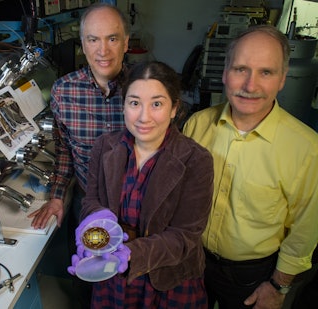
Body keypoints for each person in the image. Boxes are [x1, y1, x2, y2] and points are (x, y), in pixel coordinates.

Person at [182, 24, 318, 309]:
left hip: (253, 277)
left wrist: (278, 286)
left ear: (282, 79)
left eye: (266, 72)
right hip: (192, 261)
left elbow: (305, 230)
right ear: (224, 73)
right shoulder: (197, 124)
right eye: (241, 69)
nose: (250, 85)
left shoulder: (307, 148)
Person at [69, 61, 214, 308]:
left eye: (156, 104)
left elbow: (185, 236)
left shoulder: (195, 159)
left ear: (174, 108)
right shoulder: (105, 147)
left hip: (166, 281)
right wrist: (96, 219)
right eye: (135, 103)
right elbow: (91, 200)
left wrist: (133, 254)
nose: (144, 117)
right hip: (111, 273)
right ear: (124, 106)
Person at [28, 2, 129, 230]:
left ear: (126, 43)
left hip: (135, 204)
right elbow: (65, 148)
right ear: (83, 45)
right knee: (88, 263)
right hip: (86, 202)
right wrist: (56, 196)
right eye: (93, 40)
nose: (103, 51)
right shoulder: (64, 91)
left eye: (112, 39)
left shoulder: (145, 87)